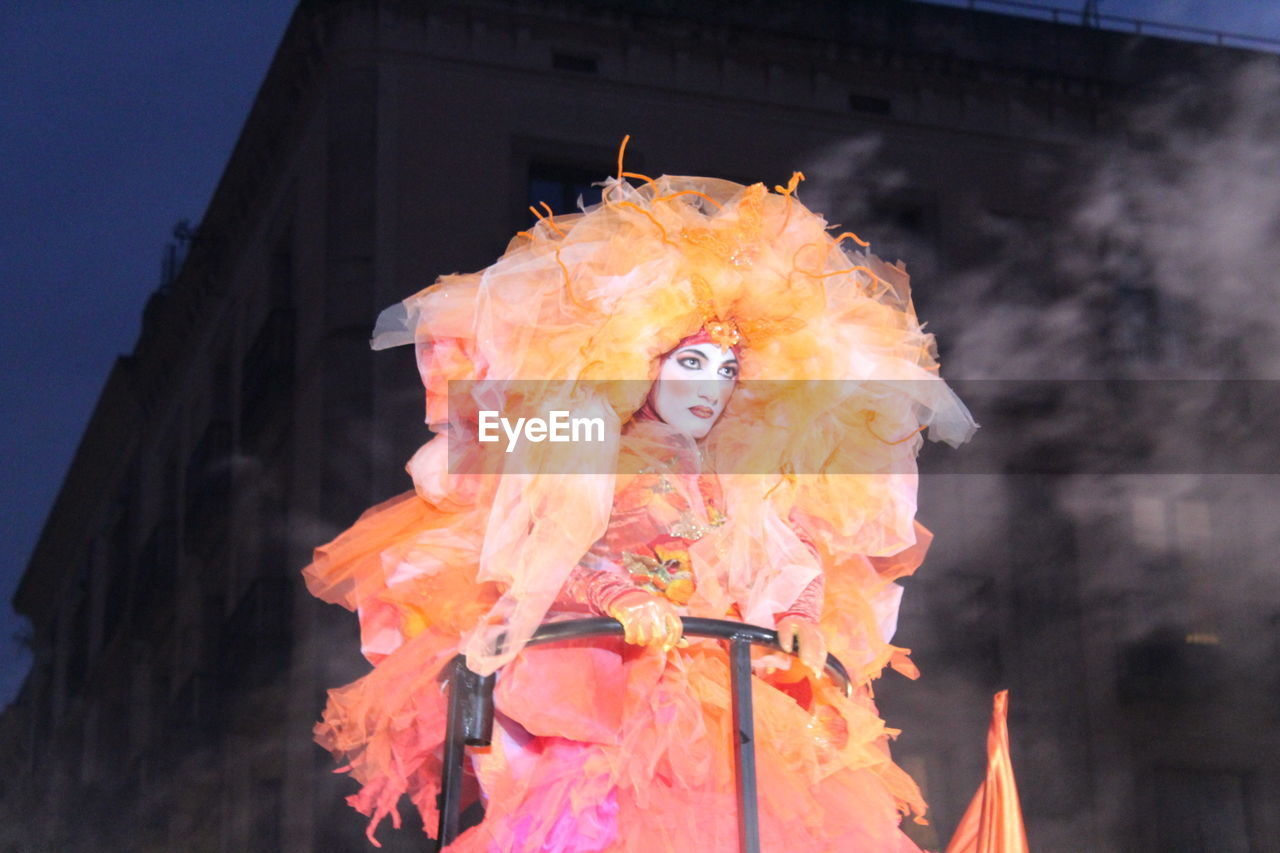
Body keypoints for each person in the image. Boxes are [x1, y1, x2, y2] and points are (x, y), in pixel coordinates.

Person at [303, 162, 975, 851]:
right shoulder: (588, 447)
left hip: (722, 687)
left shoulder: (738, 474)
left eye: (726, 370)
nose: (710, 387)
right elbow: (536, 549)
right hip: (608, 681)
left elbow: (778, 555)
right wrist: (617, 591)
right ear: (647, 363)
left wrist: (799, 617)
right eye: (691, 363)